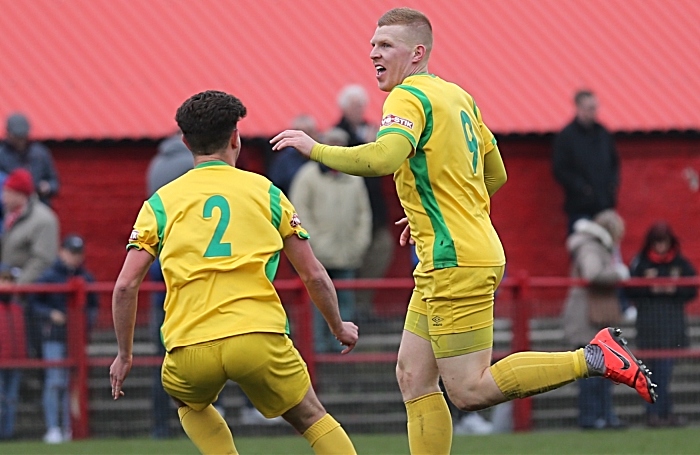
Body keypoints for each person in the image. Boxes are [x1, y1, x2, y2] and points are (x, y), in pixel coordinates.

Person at [271, 8, 655, 454]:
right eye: (372, 45)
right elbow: (496, 173)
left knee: (470, 390)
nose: (374, 53)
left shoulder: (406, 96)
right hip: (460, 251)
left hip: (455, 260)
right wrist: (432, 210)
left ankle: (593, 357)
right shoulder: (458, 97)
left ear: (417, 53)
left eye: (385, 46)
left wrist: (313, 147)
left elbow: (381, 159)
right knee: (413, 377)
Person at [110, 90, 358, 455]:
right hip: (257, 334)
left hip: (191, 341)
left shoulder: (160, 203)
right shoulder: (266, 192)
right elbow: (314, 275)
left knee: (186, 401)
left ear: (185, 142)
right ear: (235, 139)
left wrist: (125, 354)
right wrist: (338, 326)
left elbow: (126, 286)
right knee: (309, 415)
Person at [289, 127, 372, 352]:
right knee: (318, 302)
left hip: (347, 254)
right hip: (318, 254)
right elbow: (298, 212)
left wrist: (359, 243)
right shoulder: (307, 176)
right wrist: (314, 243)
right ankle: (318, 348)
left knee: (345, 301)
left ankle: (340, 349)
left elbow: (363, 214)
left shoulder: (354, 179)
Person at [561, 210, 629, 430]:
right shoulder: (591, 247)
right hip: (586, 319)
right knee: (591, 371)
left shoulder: (590, 244)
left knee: (599, 370)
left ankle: (602, 417)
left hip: (589, 318)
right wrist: (618, 273)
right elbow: (592, 274)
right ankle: (594, 418)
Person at [146, 132, 194, 439]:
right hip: (188, 280)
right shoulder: (189, 169)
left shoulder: (155, 165)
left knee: (162, 355)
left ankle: (160, 425)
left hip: (160, 277)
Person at [30, 234, 99, 444]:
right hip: (55, 337)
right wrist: (50, 314)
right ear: (62, 252)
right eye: (71, 253)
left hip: (76, 339)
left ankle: (71, 427)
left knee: (74, 383)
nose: (75, 258)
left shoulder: (86, 277)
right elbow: (33, 302)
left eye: (78, 253)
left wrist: (85, 323)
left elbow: (93, 306)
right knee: (54, 382)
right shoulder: (49, 276)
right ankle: (53, 427)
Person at [627, 222, 697, 427]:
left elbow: (692, 289)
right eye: (657, 242)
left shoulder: (680, 263)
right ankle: (656, 413)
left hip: (672, 326)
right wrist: (650, 289)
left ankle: (661, 412)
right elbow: (630, 291)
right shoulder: (640, 264)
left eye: (663, 242)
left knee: (664, 372)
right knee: (653, 373)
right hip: (650, 327)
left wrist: (674, 290)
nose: (660, 247)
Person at [334, 84, 394, 323]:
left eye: (361, 105)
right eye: (354, 105)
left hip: (374, 210)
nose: (359, 110)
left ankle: (362, 304)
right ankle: (346, 315)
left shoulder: (373, 131)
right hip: (346, 214)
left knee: (380, 250)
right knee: (347, 262)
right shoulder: (338, 136)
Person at [1, 168, 59, 359]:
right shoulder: (11, 216)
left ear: (21, 195)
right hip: (12, 296)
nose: (4, 197)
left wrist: (17, 287)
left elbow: (43, 260)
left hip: (31, 298)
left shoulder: (43, 219)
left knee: (34, 351)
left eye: (8, 192)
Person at [552, 90, 620, 235]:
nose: (594, 112)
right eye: (589, 108)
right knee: (583, 249)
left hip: (605, 205)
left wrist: (611, 186)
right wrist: (582, 188)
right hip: (580, 208)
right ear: (578, 108)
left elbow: (614, 164)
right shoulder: (567, 137)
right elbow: (560, 169)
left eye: (595, 107)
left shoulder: (603, 134)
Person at [0, 113, 60, 206]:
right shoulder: (2, 155)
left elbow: (54, 183)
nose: (21, 141)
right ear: (8, 134)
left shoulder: (40, 153)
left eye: (23, 136)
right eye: (17, 137)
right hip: (10, 208)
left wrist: (47, 187)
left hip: (38, 204)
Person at [0, 266, 26, 440]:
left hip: (16, 360)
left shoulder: (18, 308)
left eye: (11, 280)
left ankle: (7, 433)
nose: (8, 284)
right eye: (4, 280)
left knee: (11, 399)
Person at [267, 114, 319, 195]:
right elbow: (275, 185)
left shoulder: (321, 157)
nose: (303, 137)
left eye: (307, 132)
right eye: (299, 132)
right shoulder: (284, 159)